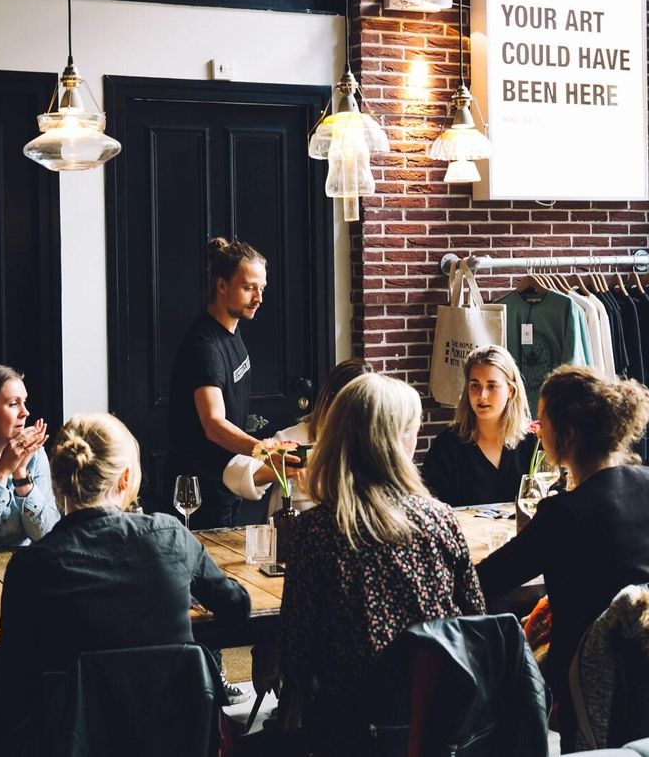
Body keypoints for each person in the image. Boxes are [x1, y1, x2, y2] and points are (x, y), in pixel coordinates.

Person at [0, 413, 250, 745]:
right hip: (172, 740)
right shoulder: (170, 535)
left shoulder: (30, 567)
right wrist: (183, 650)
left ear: (56, 483)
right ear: (126, 477)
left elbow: (13, 686)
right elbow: (238, 607)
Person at [476, 365, 649, 749]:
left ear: (568, 435)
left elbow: (486, 580)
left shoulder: (563, 515)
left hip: (596, 680)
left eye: (543, 422)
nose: (537, 431)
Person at [279, 373, 487, 740]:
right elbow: (477, 622)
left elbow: (297, 654)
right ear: (401, 442)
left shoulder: (315, 530)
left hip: (353, 730)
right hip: (441, 724)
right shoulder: (440, 518)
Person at [168, 237, 282, 528]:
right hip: (200, 491)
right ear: (221, 286)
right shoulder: (204, 346)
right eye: (249, 288)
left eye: (261, 288)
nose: (259, 298)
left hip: (227, 480)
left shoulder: (231, 332)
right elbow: (214, 424)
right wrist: (265, 451)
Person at [222, 358, 375, 512]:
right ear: (331, 398)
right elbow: (233, 474)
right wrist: (285, 469)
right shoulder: (296, 437)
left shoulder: (374, 445)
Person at [421, 345, 538, 506]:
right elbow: (430, 506)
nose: (482, 396)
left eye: (492, 386)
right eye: (475, 385)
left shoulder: (533, 442)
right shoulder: (447, 445)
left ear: (511, 390)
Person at [0, 364, 60, 554]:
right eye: (13, 404)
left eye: (25, 402)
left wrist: (21, 475)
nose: (25, 412)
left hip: (21, 575)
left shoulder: (35, 456)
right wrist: (2, 472)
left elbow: (51, 539)